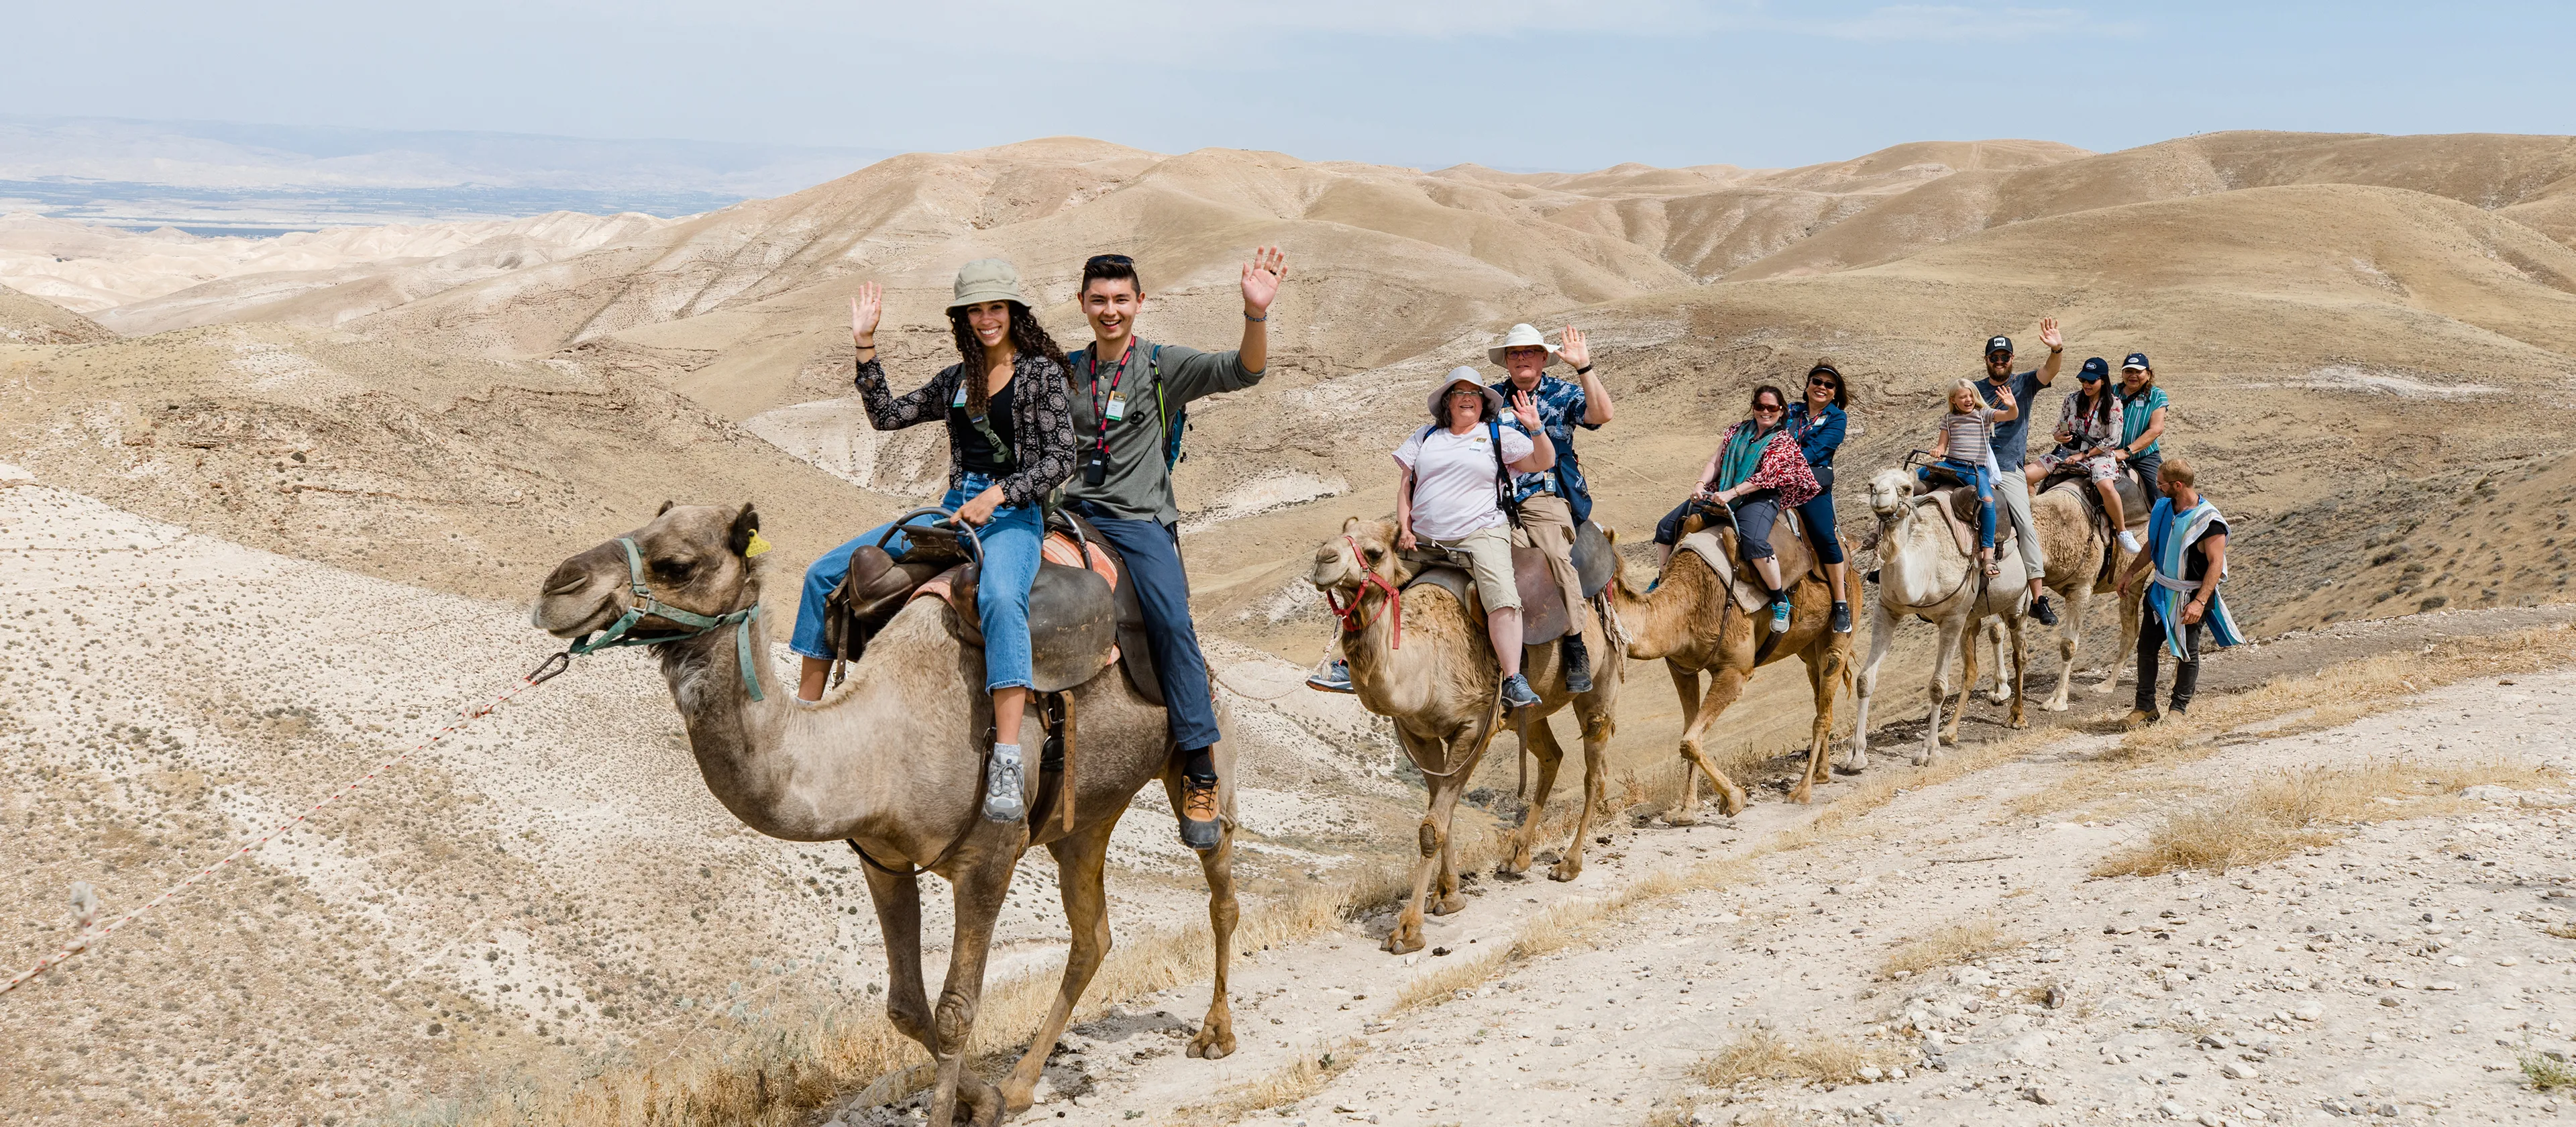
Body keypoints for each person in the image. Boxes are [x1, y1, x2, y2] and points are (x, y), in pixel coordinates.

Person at [788, 260, 1075, 823]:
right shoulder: (955, 379)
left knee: (999, 599)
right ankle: (804, 718)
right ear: (963, 318)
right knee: (824, 573)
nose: (986, 319)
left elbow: (1061, 459)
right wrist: (866, 346)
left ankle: (1008, 759)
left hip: (1014, 516)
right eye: (976, 310)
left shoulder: (1042, 375)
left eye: (996, 308)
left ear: (1014, 313)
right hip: (949, 511)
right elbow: (887, 417)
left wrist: (1001, 494)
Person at [1061, 248, 1285, 851]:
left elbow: (1245, 370)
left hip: (1137, 522)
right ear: (1082, 304)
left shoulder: (1162, 366)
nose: (1111, 310)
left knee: (1171, 622)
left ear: (1139, 303)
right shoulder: (1064, 371)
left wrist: (1255, 313)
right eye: (1099, 300)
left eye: (1121, 300)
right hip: (1065, 514)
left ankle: (1200, 771)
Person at [1395, 369, 1557, 708]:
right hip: (1424, 537)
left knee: (1501, 593)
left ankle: (1513, 678)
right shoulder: (1425, 437)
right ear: (1447, 402)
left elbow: (1544, 461)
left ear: (1483, 403)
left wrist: (1535, 427)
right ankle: (1352, 664)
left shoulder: (1498, 435)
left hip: (1479, 531)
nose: (1467, 397)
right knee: (1373, 580)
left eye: (1474, 392)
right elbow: (1406, 487)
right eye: (1458, 392)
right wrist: (1405, 528)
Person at [1488, 322, 1613, 690]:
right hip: (1496, 498)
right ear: (1507, 362)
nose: (1522, 358)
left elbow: (1602, 414)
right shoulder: (1491, 400)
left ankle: (1576, 644)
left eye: (1529, 351)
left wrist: (1584, 368)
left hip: (1544, 495)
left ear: (1543, 358)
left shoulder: (1562, 394)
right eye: (1514, 353)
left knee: (1556, 555)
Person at [1654, 384, 1821, 633]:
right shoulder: (1736, 431)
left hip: (1759, 496)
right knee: (1666, 527)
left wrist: (1732, 493)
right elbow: (1716, 461)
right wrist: (1700, 484)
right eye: (1760, 407)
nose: (1766, 412)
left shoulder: (1782, 441)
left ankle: (1779, 600)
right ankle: (1662, 579)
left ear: (1781, 410)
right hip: (1723, 490)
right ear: (1753, 408)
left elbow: (1765, 477)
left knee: (1753, 542)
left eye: (1771, 408)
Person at [2115, 455, 2241, 724]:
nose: (2158, 487)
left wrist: (2199, 602)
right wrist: (2130, 572)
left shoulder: (2210, 522)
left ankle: (2178, 709)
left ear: (2178, 485)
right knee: (2147, 648)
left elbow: (2216, 564)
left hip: (2190, 596)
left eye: (2162, 484)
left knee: (2187, 651)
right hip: (2161, 591)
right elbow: (2153, 544)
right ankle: (2145, 707)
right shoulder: (2162, 507)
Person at [1973, 322, 2063, 624]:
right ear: (1986, 360)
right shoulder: (1974, 390)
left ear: (2012, 359)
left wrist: (2056, 349)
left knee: (2025, 525)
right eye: (1994, 357)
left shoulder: (2024, 383)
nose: (2000, 362)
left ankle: (2038, 598)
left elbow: (2049, 372)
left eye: (2005, 357)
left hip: (2008, 468)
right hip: (1974, 463)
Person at [2025, 356, 2143, 553]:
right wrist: (2060, 436)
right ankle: (2030, 517)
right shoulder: (2071, 399)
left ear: (2103, 381)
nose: (2086, 385)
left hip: (2099, 455)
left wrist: (2084, 455)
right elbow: (2060, 425)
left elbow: (2113, 440)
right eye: (2083, 381)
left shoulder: (2114, 404)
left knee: (2105, 485)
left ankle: (2122, 532)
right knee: (2026, 476)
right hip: (2069, 452)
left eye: (2091, 381)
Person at [1916, 378, 2015, 576]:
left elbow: (2010, 416)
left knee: (1987, 501)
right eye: (1963, 397)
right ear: (1954, 400)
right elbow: (1942, 446)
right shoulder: (1948, 419)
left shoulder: (1983, 415)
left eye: (1971, 395)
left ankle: (1988, 555)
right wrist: (1937, 451)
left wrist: (2012, 406)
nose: (1968, 399)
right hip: (1951, 464)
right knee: (1910, 477)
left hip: (1974, 469)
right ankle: (1883, 532)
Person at [1786, 358, 1854, 633]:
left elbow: (1818, 450)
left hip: (1810, 484)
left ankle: (1840, 603)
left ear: (1835, 392)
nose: (1822, 387)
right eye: (1817, 381)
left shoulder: (1838, 417)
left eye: (1829, 385)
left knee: (1825, 536)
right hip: (1776, 480)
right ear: (1807, 385)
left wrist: (1782, 464)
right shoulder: (1791, 411)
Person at [2111, 352, 2169, 496]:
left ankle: (2167, 518)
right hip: (2110, 453)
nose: (2133, 375)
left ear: (2148, 374)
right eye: (2128, 371)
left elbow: (2156, 430)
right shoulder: (2111, 391)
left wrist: (2126, 452)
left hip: (2144, 457)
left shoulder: (2157, 395)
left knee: (2160, 491)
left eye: (2138, 372)